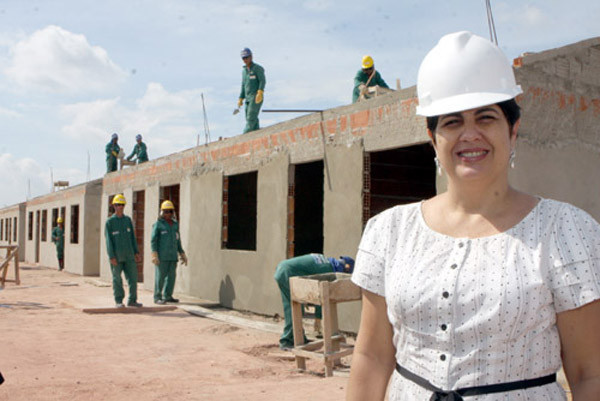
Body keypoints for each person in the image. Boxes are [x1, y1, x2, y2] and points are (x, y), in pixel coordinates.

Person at [347, 31, 600, 401]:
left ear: (513, 130)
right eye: (451, 122)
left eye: (486, 117)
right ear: (433, 138)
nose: (470, 134)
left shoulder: (566, 232)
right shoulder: (390, 231)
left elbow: (588, 372)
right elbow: (371, 357)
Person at [274, 253, 355, 350]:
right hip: (288, 273)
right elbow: (321, 296)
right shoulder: (328, 270)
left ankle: (298, 338)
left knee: (290, 306)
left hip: (283, 269)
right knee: (295, 308)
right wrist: (320, 321)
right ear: (346, 269)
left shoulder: (326, 262)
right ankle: (288, 341)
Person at [105, 194, 142, 308]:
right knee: (117, 279)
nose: (120, 207)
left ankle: (132, 300)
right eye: (117, 205)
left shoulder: (127, 220)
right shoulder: (110, 222)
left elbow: (132, 238)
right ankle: (118, 300)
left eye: (122, 205)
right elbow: (108, 241)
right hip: (117, 257)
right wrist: (111, 256)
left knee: (133, 278)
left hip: (129, 255)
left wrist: (136, 252)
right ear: (114, 206)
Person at [151, 200, 187, 304]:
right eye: (166, 211)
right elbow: (153, 240)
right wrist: (154, 254)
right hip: (161, 257)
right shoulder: (158, 225)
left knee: (171, 277)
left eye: (170, 211)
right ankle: (157, 297)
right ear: (162, 212)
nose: (168, 214)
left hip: (172, 256)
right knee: (160, 277)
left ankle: (167, 295)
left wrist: (182, 253)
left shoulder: (175, 225)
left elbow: (178, 239)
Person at [237, 48, 266, 133]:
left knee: (251, 118)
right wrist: (241, 98)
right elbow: (243, 84)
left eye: (247, 57)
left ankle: (244, 136)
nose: (245, 60)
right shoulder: (244, 71)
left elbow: (262, 80)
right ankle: (256, 133)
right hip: (247, 98)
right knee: (251, 119)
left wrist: (260, 91)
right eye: (243, 58)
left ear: (251, 57)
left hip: (255, 96)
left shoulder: (257, 68)